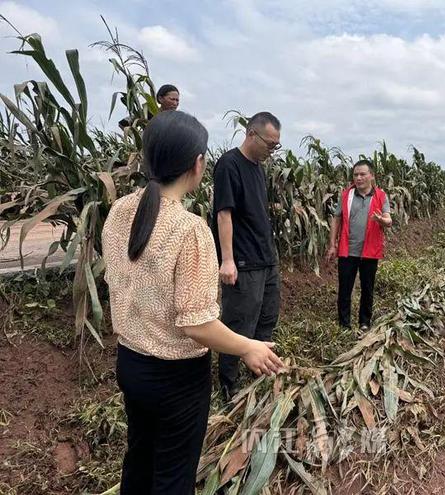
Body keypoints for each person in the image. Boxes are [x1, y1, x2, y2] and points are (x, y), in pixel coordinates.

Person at [102, 110, 284, 494]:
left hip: (131, 363)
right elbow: (196, 324)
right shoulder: (190, 229)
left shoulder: (118, 211)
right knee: (173, 474)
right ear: (197, 164)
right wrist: (248, 346)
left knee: (139, 457)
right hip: (175, 379)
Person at [210, 111, 282, 398]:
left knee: (267, 318)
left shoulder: (258, 168)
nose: (272, 150)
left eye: (276, 146)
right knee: (238, 325)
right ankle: (229, 387)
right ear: (252, 134)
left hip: (266, 258)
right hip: (243, 262)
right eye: (269, 144)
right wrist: (227, 260)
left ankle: (259, 373)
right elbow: (224, 213)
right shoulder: (230, 165)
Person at [326, 159, 392, 331]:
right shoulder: (346, 195)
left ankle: (364, 322)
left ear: (371, 176)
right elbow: (337, 218)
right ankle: (344, 324)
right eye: (356, 174)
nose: (359, 178)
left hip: (370, 251)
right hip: (347, 250)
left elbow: (389, 220)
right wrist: (332, 245)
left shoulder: (381, 196)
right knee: (345, 288)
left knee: (367, 288)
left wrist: (381, 220)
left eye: (363, 174)